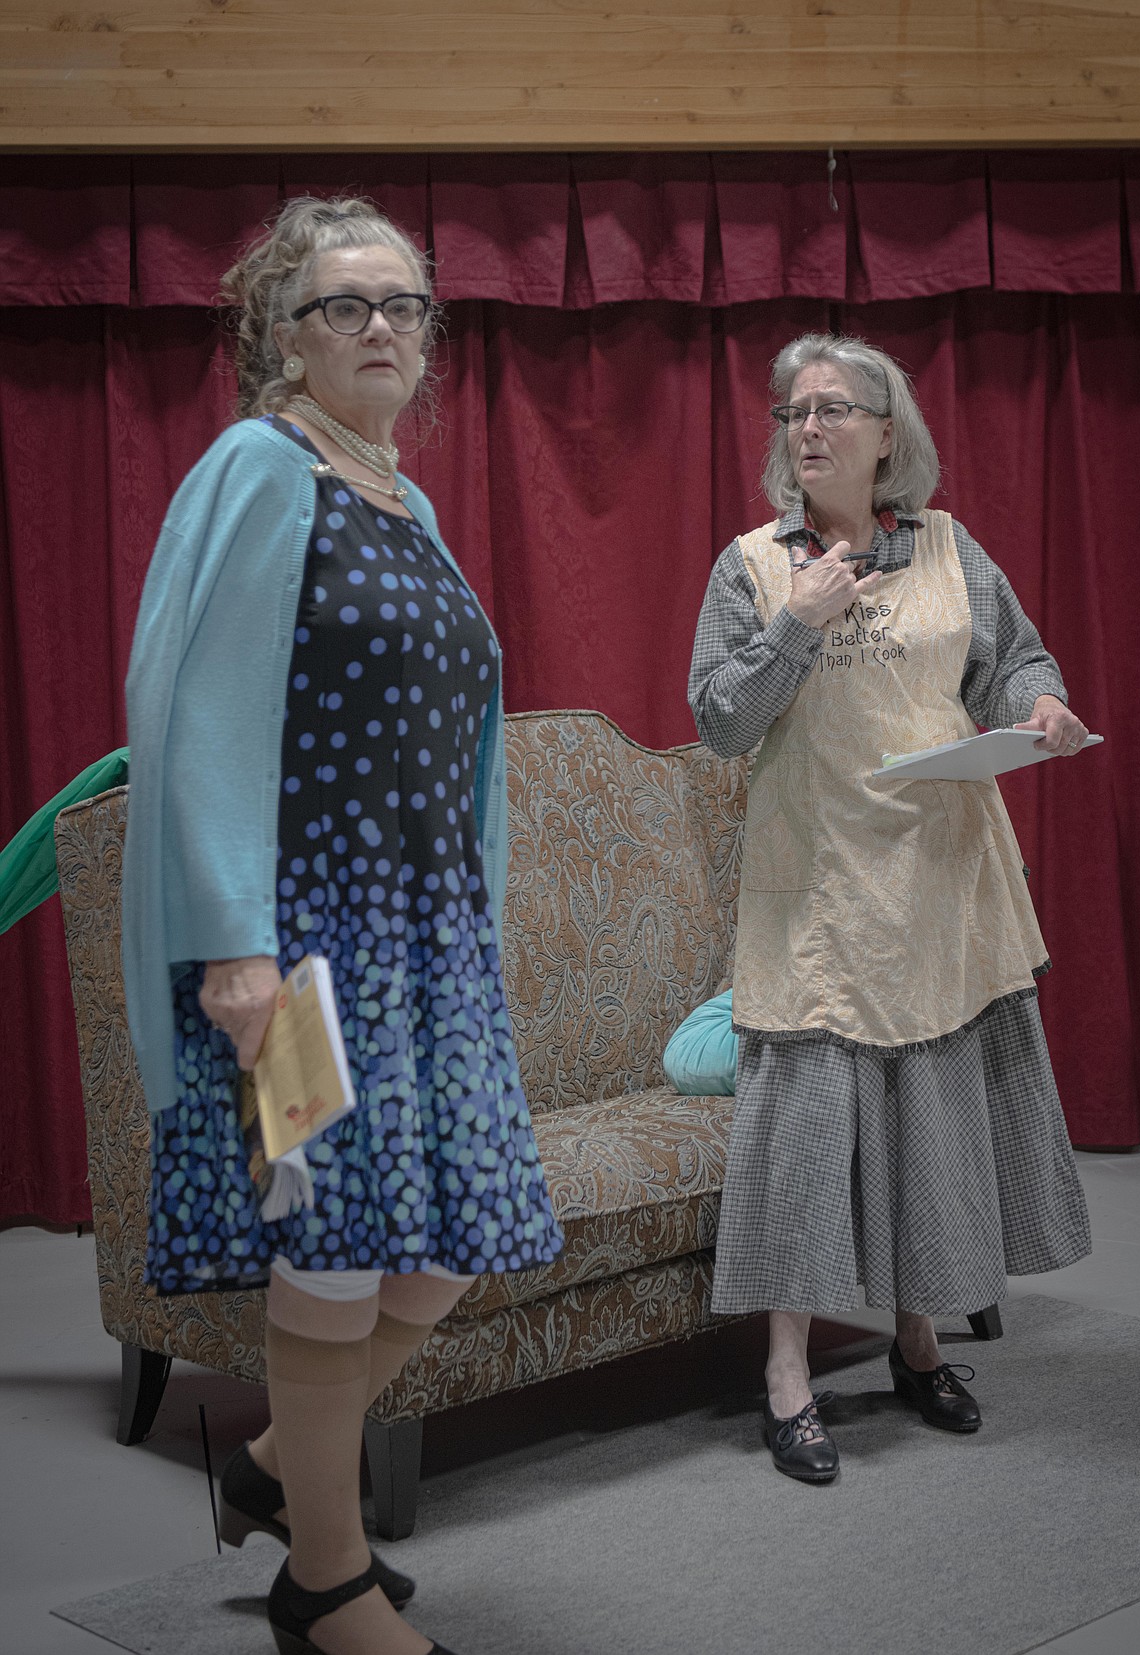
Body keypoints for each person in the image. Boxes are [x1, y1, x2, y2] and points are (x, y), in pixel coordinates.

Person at [122, 196, 563, 1655]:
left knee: (443, 1246)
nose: (380, 327)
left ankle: (266, 1467)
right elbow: (199, 718)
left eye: (402, 306)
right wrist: (233, 950)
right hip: (301, 942)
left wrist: (476, 920)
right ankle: (325, 1576)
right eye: (343, 305)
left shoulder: (403, 500)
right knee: (334, 1253)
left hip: (423, 944)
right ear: (282, 334)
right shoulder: (260, 467)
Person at [688, 332, 1091, 1485]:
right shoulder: (753, 566)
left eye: (832, 408)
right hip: (815, 890)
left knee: (929, 1119)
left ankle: (918, 1340)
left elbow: (1011, 661)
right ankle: (786, 1373)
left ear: (884, 431)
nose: (806, 427)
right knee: (803, 1142)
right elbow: (720, 720)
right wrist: (799, 622)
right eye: (791, 411)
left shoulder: (952, 550)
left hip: (936, 879)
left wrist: (1042, 701)